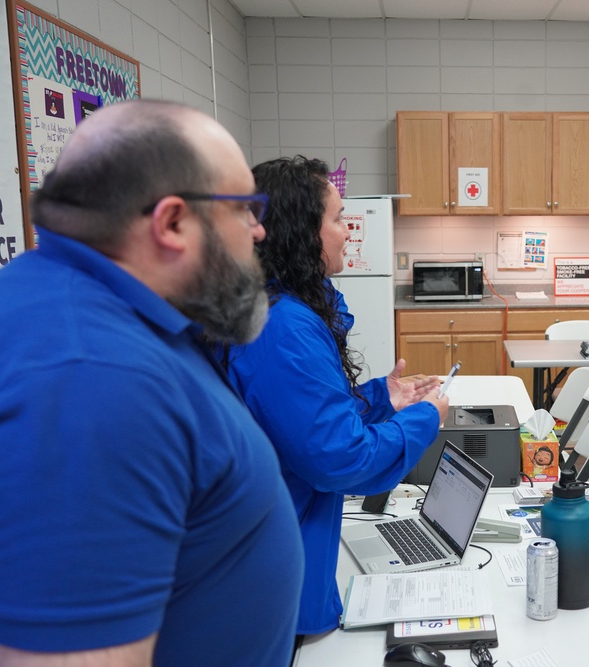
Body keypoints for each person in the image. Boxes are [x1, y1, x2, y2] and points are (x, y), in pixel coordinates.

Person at [0, 100, 303, 665]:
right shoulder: (92, 378)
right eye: (244, 208)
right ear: (172, 222)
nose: (259, 231)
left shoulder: (99, 311)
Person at [224, 156, 448, 641]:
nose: (348, 232)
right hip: (275, 587)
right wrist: (424, 419)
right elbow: (339, 458)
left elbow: (301, 421)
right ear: (300, 230)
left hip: (286, 559)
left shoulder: (286, 307)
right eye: (337, 219)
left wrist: (380, 398)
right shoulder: (283, 328)